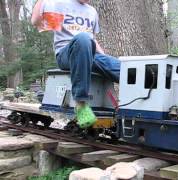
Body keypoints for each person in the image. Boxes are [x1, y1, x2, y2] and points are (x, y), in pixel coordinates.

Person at [31, 0, 120, 128]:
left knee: (126, 68)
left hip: (89, 53)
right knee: (83, 39)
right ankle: (81, 104)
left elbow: (92, 39)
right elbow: (36, 21)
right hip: (65, 54)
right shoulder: (59, 4)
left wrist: (105, 59)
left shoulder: (92, 11)